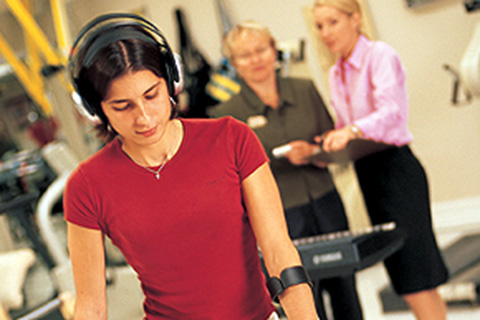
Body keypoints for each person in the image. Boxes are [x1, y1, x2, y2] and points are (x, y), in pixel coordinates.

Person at [64, 13, 319, 320]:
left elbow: (278, 251)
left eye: (151, 95)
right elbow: (91, 307)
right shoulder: (87, 185)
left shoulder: (231, 138)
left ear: (172, 81)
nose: (144, 117)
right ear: (95, 109)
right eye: (122, 106)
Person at [208, 20, 363, 320]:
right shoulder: (225, 115)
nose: (255, 59)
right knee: (301, 295)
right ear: (233, 64)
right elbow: (229, 180)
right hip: (279, 217)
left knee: (347, 287)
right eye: (244, 55)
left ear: (274, 50)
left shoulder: (304, 90)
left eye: (261, 50)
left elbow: (334, 146)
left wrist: (314, 152)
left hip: (327, 203)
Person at [312, 1, 449, 319]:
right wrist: (321, 148)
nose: (325, 32)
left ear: (355, 18)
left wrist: (352, 130)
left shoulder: (380, 55)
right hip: (368, 172)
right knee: (408, 276)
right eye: (319, 26)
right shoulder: (336, 72)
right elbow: (344, 126)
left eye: (332, 22)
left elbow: (392, 112)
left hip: (396, 171)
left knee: (416, 275)